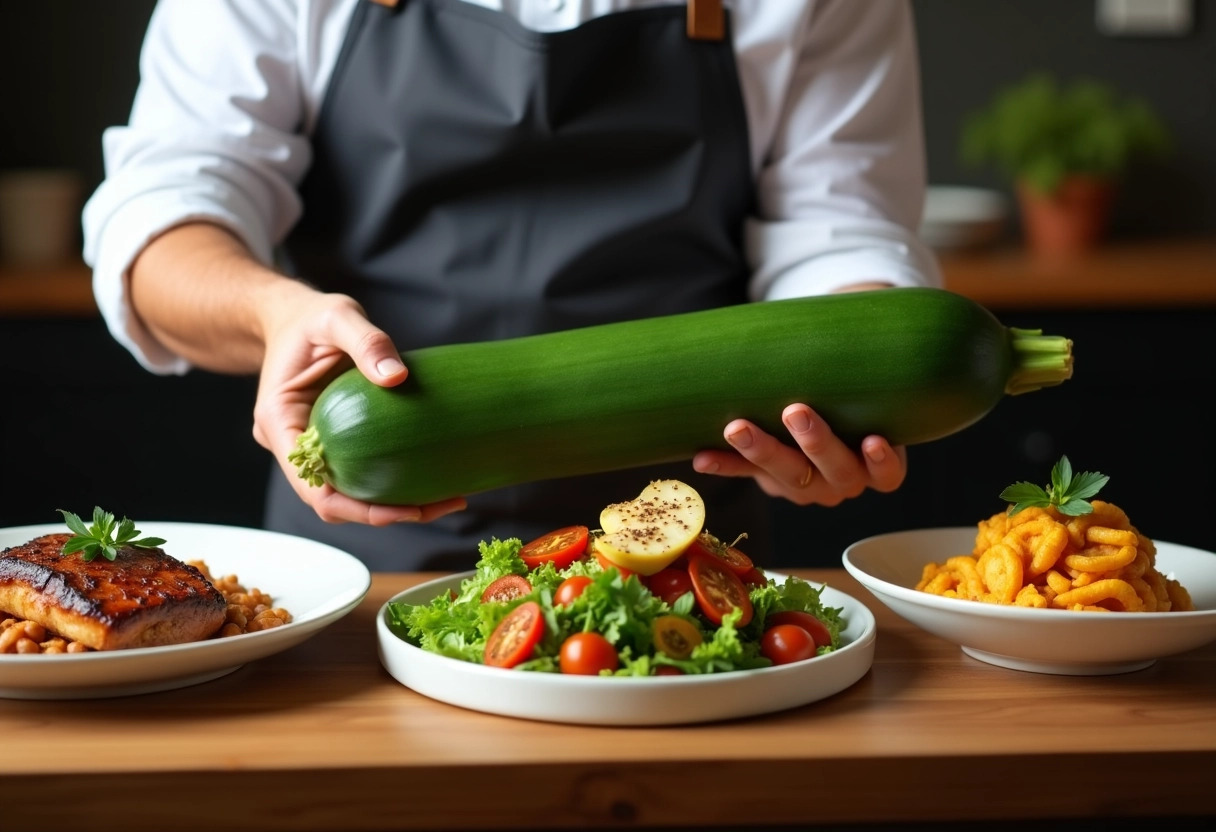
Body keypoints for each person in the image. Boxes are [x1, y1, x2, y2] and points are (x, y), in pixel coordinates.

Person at [83, 0, 942, 572]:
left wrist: (847, 387)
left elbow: (841, 231)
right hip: (357, 554)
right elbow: (164, 216)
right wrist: (273, 314)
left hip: (689, 557)